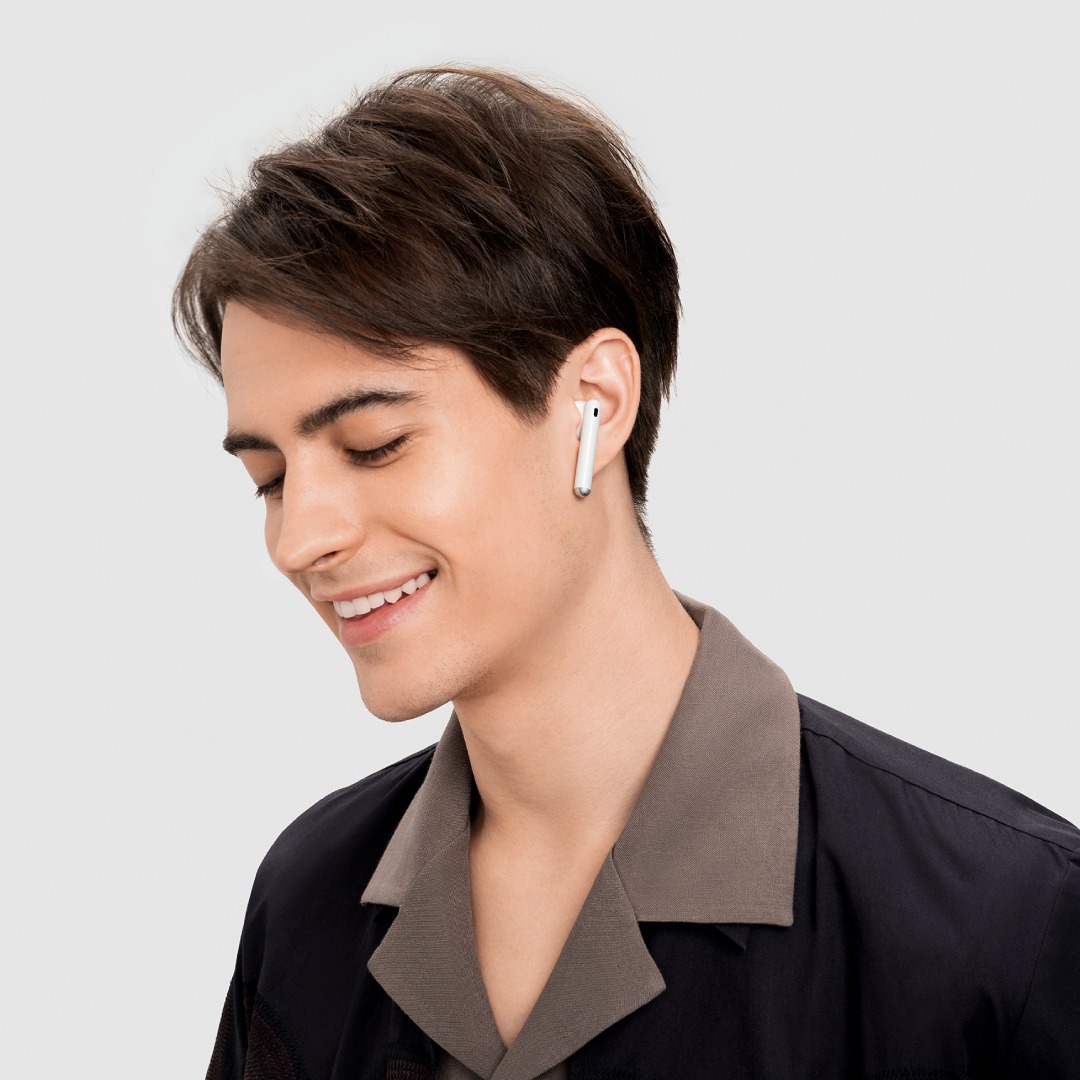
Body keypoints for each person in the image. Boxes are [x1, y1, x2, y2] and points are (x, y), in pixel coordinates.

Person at [173, 66, 1080, 1080]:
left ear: (595, 404)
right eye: (269, 478)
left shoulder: (1004, 930)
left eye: (374, 444)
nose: (301, 537)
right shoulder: (306, 904)